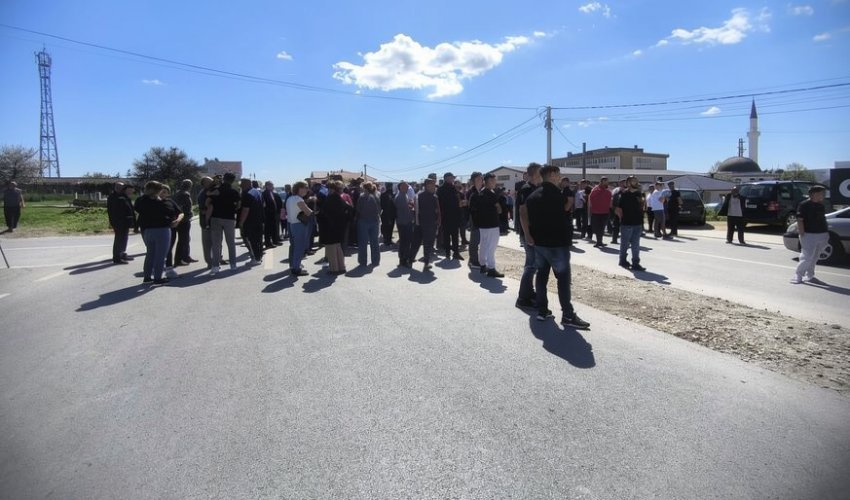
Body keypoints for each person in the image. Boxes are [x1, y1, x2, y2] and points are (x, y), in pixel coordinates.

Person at [524, 165, 590, 329]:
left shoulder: (533, 196)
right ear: (552, 175)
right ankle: (567, 314)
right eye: (558, 174)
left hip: (539, 244)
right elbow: (563, 213)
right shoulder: (556, 194)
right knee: (563, 279)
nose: (560, 177)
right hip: (557, 244)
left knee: (541, 276)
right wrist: (568, 203)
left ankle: (542, 310)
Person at [134, 181, 183, 284]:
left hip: (147, 230)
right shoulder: (160, 202)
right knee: (161, 255)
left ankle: (147, 277)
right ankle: (157, 278)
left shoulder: (141, 200)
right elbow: (169, 212)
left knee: (150, 254)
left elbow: (137, 209)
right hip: (162, 229)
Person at [516, 162, 542, 309]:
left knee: (532, 265)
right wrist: (527, 235)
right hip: (529, 233)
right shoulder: (526, 189)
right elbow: (522, 213)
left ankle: (529, 292)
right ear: (535, 174)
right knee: (531, 266)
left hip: (535, 232)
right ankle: (523, 298)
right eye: (540, 172)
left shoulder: (536, 188)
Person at [791, 185, 829, 284]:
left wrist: (826, 233)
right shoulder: (804, 205)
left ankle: (810, 275)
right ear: (815, 194)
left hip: (822, 234)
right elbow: (800, 220)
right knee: (807, 256)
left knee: (815, 257)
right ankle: (798, 275)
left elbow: (822, 219)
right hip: (809, 234)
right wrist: (802, 234)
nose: (824, 195)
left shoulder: (821, 205)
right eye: (822, 193)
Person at [205, 172, 241, 275]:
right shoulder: (234, 192)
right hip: (229, 218)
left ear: (224, 179)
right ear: (232, 181)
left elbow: (207, 202)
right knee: (231, 243)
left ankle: (215, 266)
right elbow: (238, 205)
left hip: (215, 218)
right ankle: (233, 265)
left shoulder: (216, 190)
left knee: (216, 243)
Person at [472, 173, 503, 277]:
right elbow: (499, 209)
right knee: (491, 247)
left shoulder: (480, 193)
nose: (495, 182)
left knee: (483, 245)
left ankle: (483, 265)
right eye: (493, 181)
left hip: (483, 225)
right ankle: (491, 268)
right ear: (488, 181)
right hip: (492, 224)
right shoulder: (491, 193)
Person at [319, 180, 352, 275]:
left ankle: (334, 269)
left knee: (331, 248)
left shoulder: (330, 198)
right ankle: (341, 267)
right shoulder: (339, 198)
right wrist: (345, 220)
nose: (327, 190)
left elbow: (325, 213)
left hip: (330, 227)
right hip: (339, 226)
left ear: (332, 189)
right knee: (338, 248)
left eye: (329, 188)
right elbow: (350, 208)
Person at [615, 176, 646, 271]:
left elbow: (642, 206)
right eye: (633, 181)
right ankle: (622, 260)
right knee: (625, 244)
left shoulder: (639, 194)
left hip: (638, 223)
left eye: (636, 181)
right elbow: (618, 209)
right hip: (627, 223)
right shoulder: (623, 194)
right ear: (628, 183)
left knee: (636, 244)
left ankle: (635, 263)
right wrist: (622, 219)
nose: (636, 183)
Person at [286, 181, 313, 277]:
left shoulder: (290, 198)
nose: (307, 190)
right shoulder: (298, 199)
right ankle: (296, 268)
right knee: (299, 247)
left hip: (291, 224)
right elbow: (308, 212)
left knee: (294, 246)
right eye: (306, 187)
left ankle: (293, 265)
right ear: (300, 188)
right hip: (299, 225)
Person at [412, 177, 440, 270]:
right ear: (427, 185)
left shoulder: (419, 195)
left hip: (422, 223)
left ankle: (410, 259)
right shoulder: (431, 197)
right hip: (428, 224)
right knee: (427, 244)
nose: (434, 187)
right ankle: (426, 263)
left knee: (417, 242)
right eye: (433, 185)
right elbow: (437, 211)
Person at [107, 182, 136, 264]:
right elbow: (114, 211)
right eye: (120, 187)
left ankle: (122, 254)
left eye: (123, 187)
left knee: (124, 238)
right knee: (119, 239)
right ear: (116, 187)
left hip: (125, 222)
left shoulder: (124, 196)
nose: (122, 188)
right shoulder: (114, 197)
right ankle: (117, 257)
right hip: (118, 222)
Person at [238, 178, 264, 266]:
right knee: (258, 240)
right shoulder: (257, 192)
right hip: (259, 219)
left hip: (250, 221)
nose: (240, 185)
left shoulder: (247, 194)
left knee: (252, 240)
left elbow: (245, 210)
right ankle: (259, 257)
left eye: (242, 184)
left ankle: (256, 258)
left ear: (246, 184)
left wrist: (241, 222)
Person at [437, 172, 463, 259]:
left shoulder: (454, 188)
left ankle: (456, 253)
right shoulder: (441, 189)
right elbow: (439, 204)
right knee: (447, 236)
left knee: (455, 235)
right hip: (446, 216)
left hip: (455, 216)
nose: (453, 179)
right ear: (446, 178)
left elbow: (457, 199)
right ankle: (447, 253)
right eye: (451, 177)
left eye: (453, 178)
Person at [355, 182, 381, 267]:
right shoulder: (376, 196)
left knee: (363, 242)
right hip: (375, 221)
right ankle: (376, 260)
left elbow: (358, 209)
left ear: (365, 188)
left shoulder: (362, 197)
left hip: (363, 221)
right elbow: (379, 210)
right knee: (375, 242)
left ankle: (363, 261)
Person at [173, 179, 195, 266]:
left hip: (180, 219)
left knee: (185, 239)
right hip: (183, 220)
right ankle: (180, 259)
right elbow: (184, 208)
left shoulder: (177, 193)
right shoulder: (184, 194)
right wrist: (188, 215)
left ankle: (185, 257)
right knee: (183, 240)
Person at [394, 181, 415, 268]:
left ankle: (404, 258)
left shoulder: (403, 195)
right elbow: (406, 210)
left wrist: (410, 206)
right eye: (406, 187)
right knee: (405, 241)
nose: (408, 188)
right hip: (404, 222)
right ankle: (404, 259)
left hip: (403, 221)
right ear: (401, 187)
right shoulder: (401, 196)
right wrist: (413, 210)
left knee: (404, 241)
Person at [587, 177, 612, 248]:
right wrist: (590, 211)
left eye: (607, 181)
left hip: (605, 212)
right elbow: (590, 200)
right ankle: (599, 241)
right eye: (605, 181)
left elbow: (610, 202)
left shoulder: (608, 191)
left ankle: (599, 241)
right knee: (597, 228)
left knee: (601, 228)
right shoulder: (595, 190)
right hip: (596, 212)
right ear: (601, 182)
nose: (606, 182)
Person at [466, 172, 484, 268]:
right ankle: (473, 261)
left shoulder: (480, 191)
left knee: (477, 241)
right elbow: (472, 208)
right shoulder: (472, 193)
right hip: (475, 220)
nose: (481, 181)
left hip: (479, 220)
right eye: (478, 179)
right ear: (473, 181)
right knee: (474, 241)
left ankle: (471, 260)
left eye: (481, 179)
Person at [196, 176, 215, 268]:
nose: (212, 183)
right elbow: (203, 209)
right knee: (207, 243)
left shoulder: (213, 191)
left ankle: (216, 260)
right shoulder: (203, 194)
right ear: (204, 184)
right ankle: (209, 262)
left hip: (214, 221)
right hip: (206, 222)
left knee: (215, 242)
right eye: (210, 182)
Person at [262, 181, 284, 248]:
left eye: (272, 185)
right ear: (267, 186)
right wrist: (269, 211)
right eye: (271, 185)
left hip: (273, 214)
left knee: (273, 228)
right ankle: (268, 243)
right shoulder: (264, 194)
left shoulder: (271, 193)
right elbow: (264, 205)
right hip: (268, 214)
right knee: (268, 229)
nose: (273, 187)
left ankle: (275, 241)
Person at [379, 182, 397, 246]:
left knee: (386, 227)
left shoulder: (383, 195)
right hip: (391, 214)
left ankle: (387, 240)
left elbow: (381, 205)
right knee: (390, 227)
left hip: (385, 213)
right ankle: (388, 240)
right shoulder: (393, 195)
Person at [609, 179, 626, 245]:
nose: (623, 184)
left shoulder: (628, 191)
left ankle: (626, 241)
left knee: (625, 227)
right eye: (621, 183)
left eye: (624, 183)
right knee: (615, 226)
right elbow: (612, 200)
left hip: (625, 212)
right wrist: (614, 209)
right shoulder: (616, 191)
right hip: (616, 211)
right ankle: (614, 239)